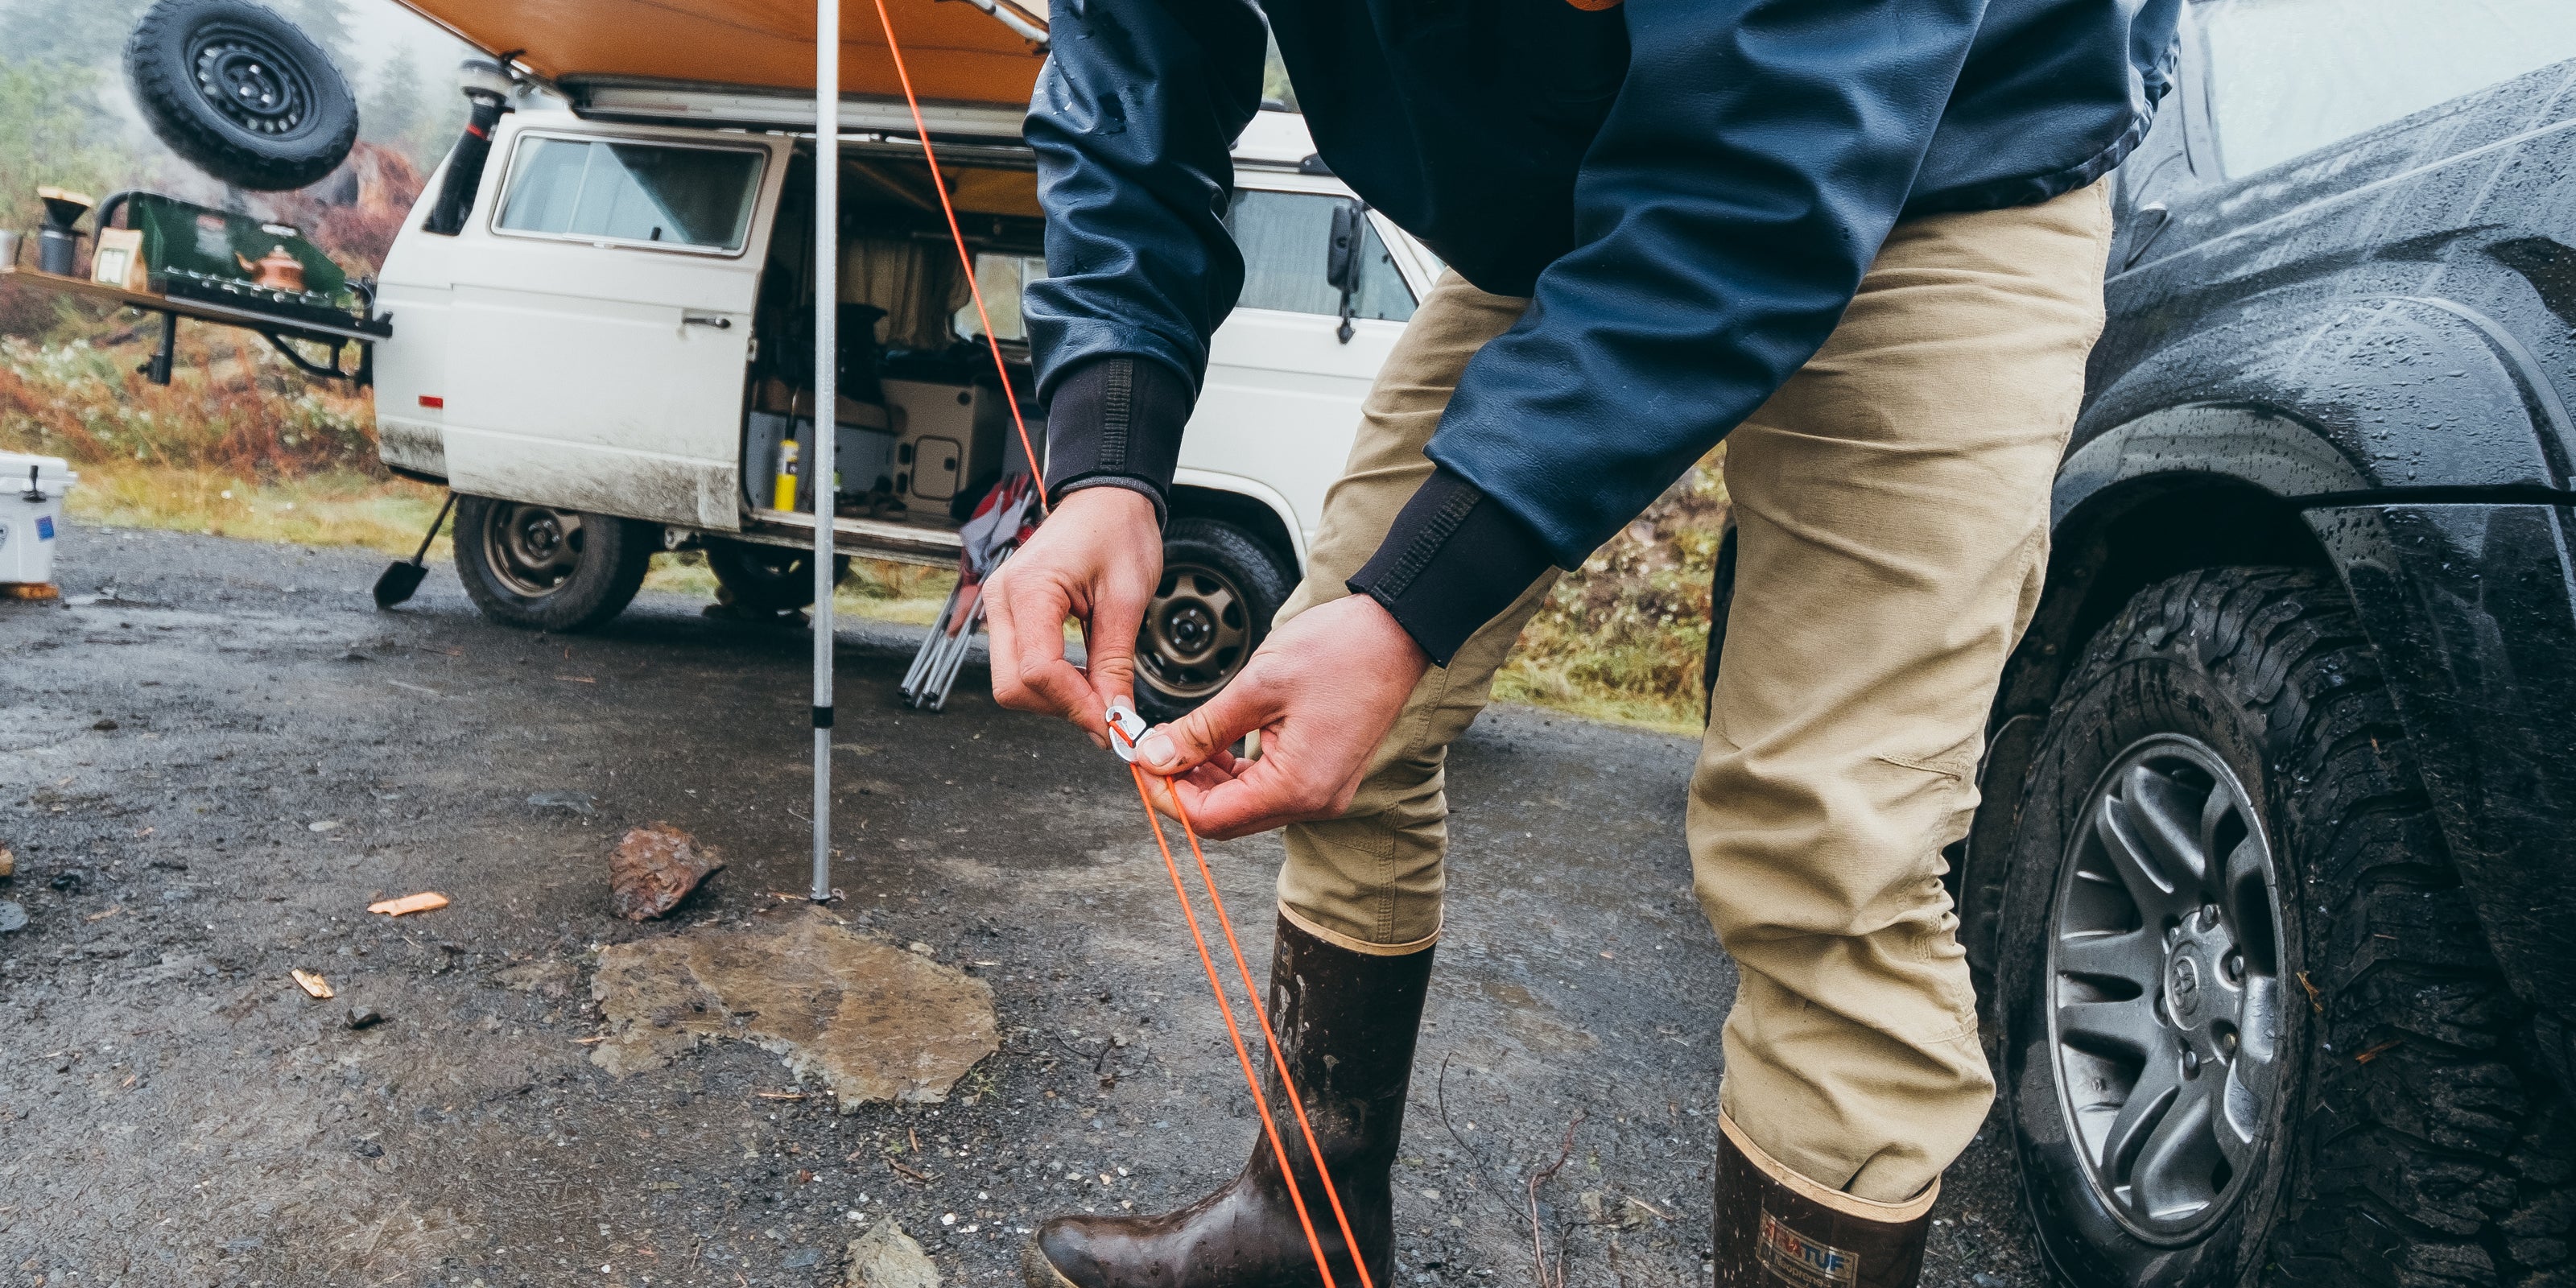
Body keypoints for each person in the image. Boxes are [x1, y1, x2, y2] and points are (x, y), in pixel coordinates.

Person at [986, 2, 2182, 1285]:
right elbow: (1136, 63)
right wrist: (1107, 455)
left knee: (1827, 842)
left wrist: (1412, 607)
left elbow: (1768, 176)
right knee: (1322, 717)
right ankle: (1299, 1231)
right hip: (1551, 208)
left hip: (1954, 166)